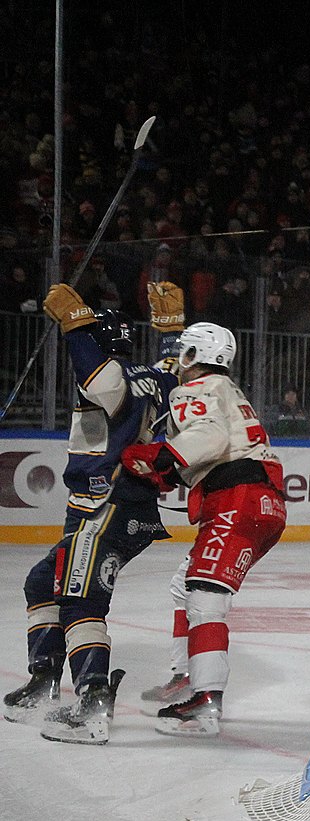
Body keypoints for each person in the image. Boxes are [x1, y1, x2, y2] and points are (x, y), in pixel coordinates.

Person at [2, 285, 179, 744]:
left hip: (107, 506)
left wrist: (75, 325)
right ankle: (45, 680)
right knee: (42, 583)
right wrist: (169, 331)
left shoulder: (112, 378)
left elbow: (96, 376)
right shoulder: (153, 377)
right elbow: (172, 368)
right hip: (119, 508)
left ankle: (93, 703)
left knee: (81, 599)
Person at [122, 321, 287, 736]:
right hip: (263, 502)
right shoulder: (229, 391)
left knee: (205, 595)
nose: (178, 359)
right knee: (186, 585)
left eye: (183, 352)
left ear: (194, 355)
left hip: (237, 499)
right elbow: (216, 450)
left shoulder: (194, 389)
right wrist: (172, 471)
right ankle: (185, 677)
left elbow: (209, 438)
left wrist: (161, 457)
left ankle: (206, 700)